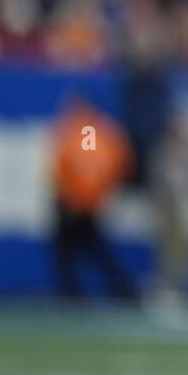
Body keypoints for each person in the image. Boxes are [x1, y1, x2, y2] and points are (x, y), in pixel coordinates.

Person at [50, 93, 137, 302]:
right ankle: (118, 289)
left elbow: (71, 167)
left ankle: (79, 292)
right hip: (87, 202)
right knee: (89, 251)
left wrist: (76, 195)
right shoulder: (104, 132)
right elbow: (119, 165)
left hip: (76, 204)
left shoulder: (79, 132)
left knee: (82, 251)